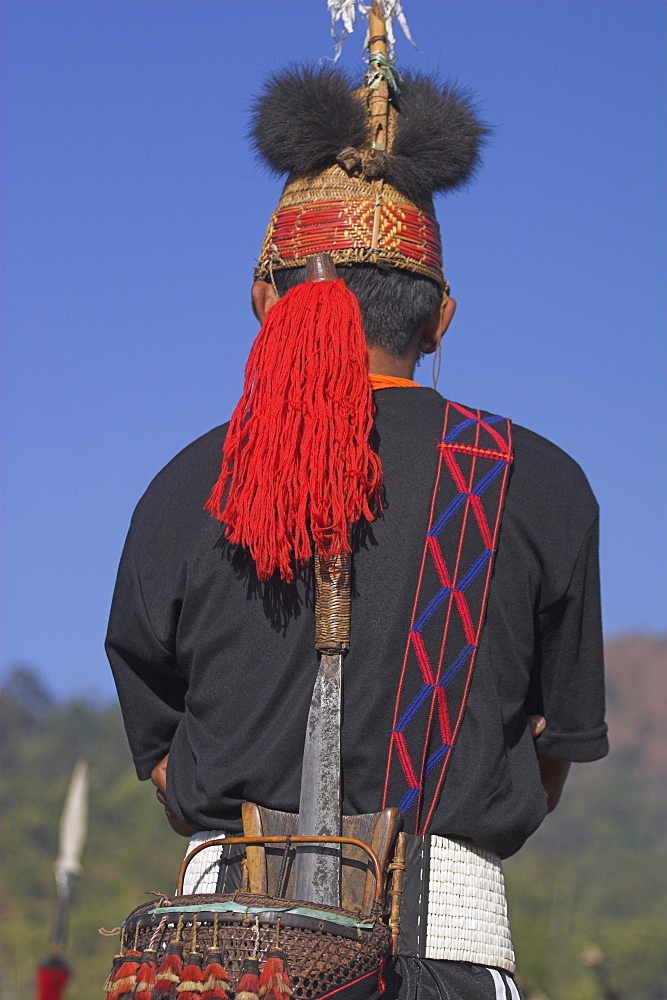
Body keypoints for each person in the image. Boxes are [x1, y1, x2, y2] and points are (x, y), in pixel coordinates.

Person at [106, 38, 607, 1000]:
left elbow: (164, 759)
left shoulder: (181, 487)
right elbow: (556, 746)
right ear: (440, 319)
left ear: (267, 302)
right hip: (444, 960)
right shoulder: (536, 483)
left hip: (213, 969)